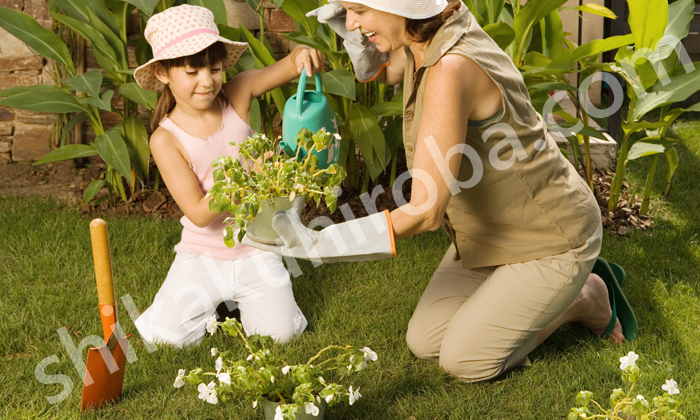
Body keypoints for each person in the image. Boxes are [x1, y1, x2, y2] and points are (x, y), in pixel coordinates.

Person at [244, 0, 634, 383]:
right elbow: (384, 72)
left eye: (359, 11)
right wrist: (357, 28)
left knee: (465, 361)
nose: (351, 21)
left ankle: (584, 297)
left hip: (550, 235)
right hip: (490, 231)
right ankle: (535, 294)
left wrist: (320, 244)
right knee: (425, 340)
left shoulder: (450, 67)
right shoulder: (427, 33)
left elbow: (425, 211)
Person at [132, 4, 325, 348]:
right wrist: (249, 176)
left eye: (215, 68)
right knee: (165, 339)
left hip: (256, 247)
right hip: (202, 255)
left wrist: (302, 55)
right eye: (192, 72)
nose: (207, 81)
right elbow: (198, 213)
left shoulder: (237, 94)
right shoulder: (166, 139)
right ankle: (213, 302)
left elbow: (290, 65)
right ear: (163, 73)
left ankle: (238, 300)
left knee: (280, 336)